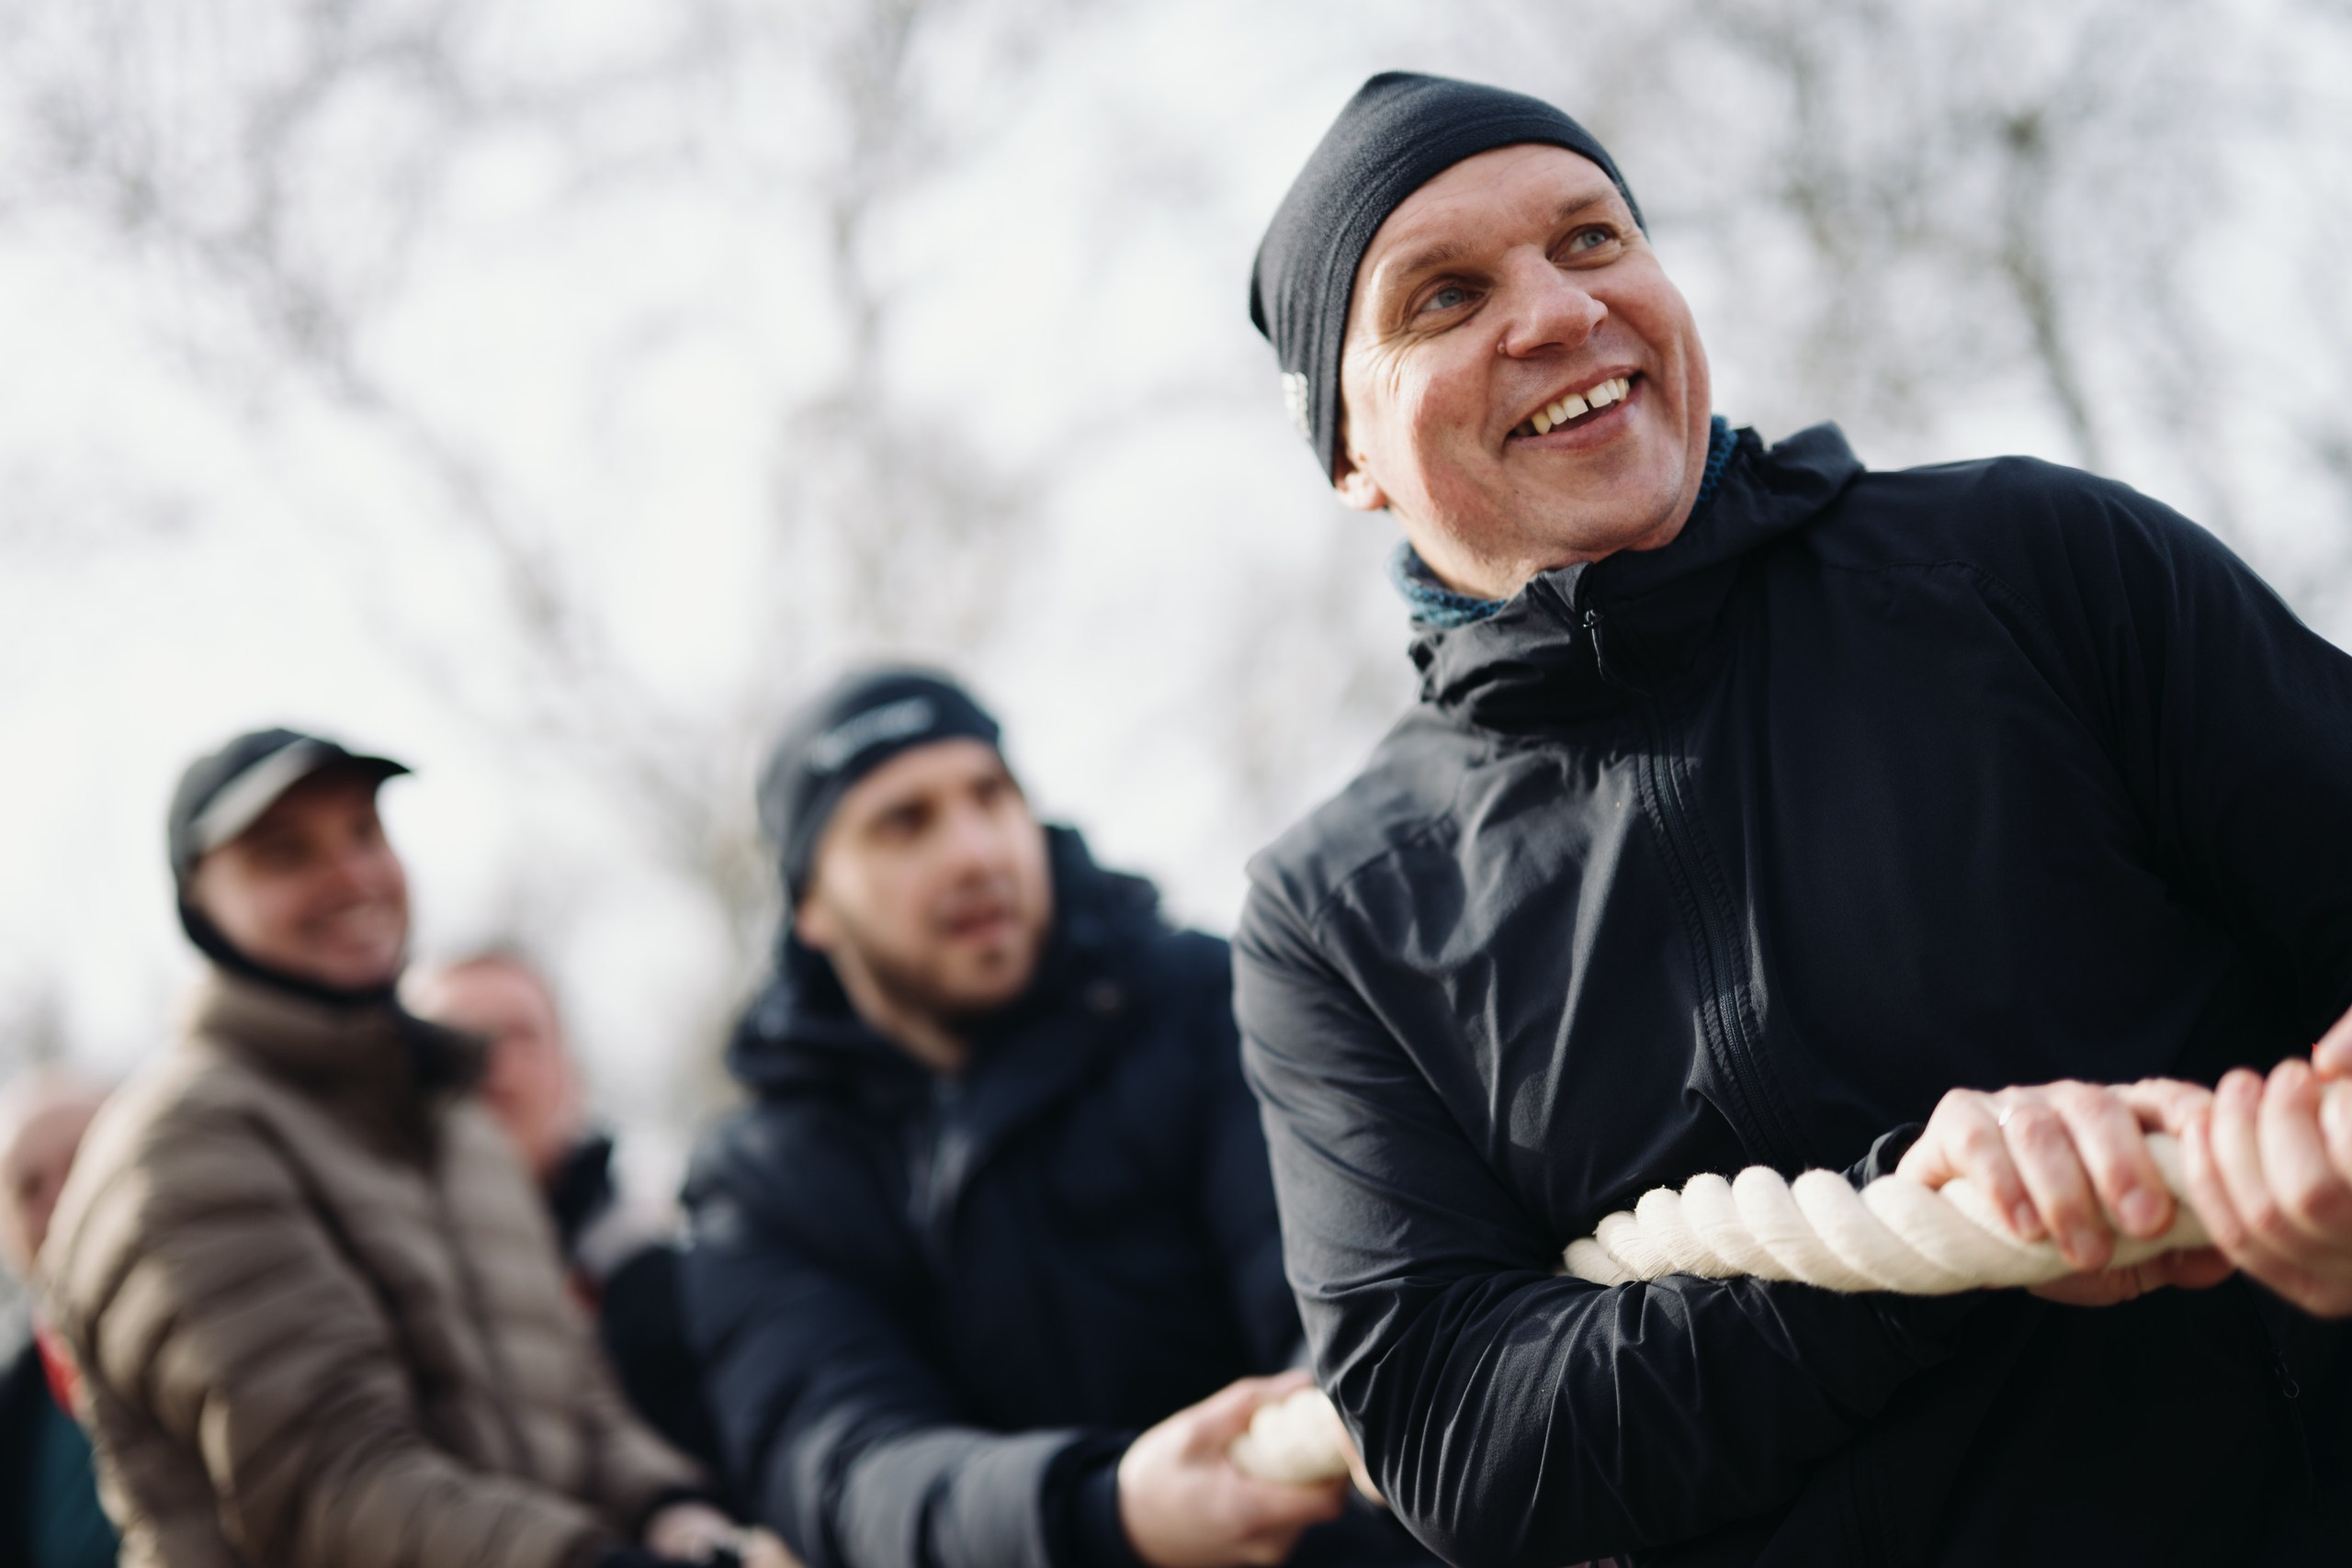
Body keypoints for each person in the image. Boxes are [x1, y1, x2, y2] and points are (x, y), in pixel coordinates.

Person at [1235, 72, 2352, 1567]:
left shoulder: (2031, 566)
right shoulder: (1337, 912)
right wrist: (1912, 1239)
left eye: (1590, 238)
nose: (1562, 311)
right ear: (1349, 456)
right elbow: (1454, 1430)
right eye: (1445, 296)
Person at [679, 669, 1430, 1568]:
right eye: (904, 823)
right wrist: (1101, 1511)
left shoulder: (1209, 1004)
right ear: (811, 906)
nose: (975, 852)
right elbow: (841, 1470)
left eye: (991, 797)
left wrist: (1365, 1408)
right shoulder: (760, 1184)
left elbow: (1345, 1282)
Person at [40, 728, 751, 1568]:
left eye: (364, 833)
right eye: (286, 853)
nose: (351, 876)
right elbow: (331, 1491)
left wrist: (678, 1513)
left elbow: (577, 1400)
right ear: (198, 902)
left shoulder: (455, 1123)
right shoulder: (186, 1145)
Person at [410, 949, 726, 1479]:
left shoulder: (675, 1280)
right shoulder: (359, 1271)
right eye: (453, 1041)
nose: (491, 1065)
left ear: (571, 1072)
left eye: (522, 1037)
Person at [0, 1068, 119, 1568]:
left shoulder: (235, 1327)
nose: (59, 1199)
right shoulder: (15, 1410)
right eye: (30, 1189)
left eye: (80, 1161)